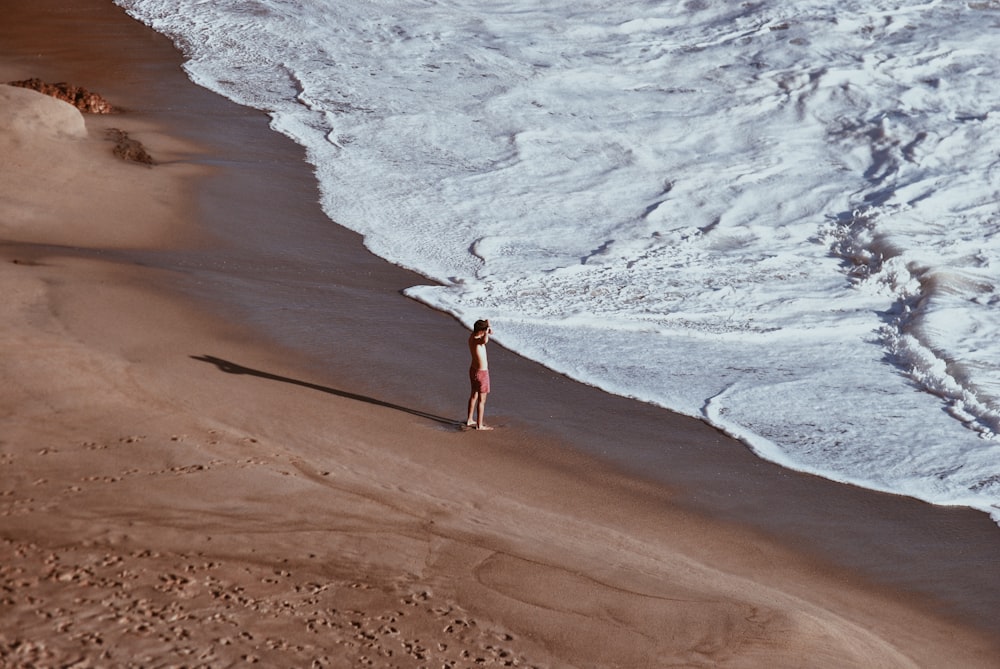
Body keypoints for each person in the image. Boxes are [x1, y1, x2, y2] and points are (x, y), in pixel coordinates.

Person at [466, 319, 494, 430]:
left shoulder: (471, 337)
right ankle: (479, 425)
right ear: (482, 331)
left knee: (473, 396)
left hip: (473, 370)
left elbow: (487, 320)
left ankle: (469, 419)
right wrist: (487, 332)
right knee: (482, 400)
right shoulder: (479, 341)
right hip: (482, 373)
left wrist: (487, 327)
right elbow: (485, 341)